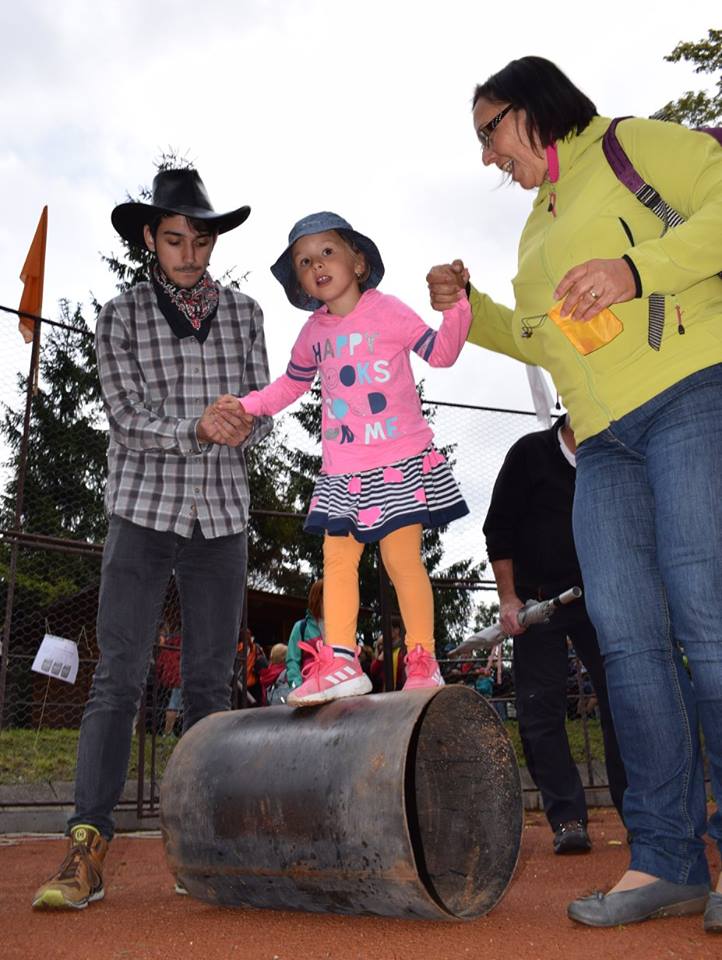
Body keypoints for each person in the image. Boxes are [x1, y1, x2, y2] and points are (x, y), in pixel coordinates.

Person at [427, 56, 722, 931]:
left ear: (535, 106)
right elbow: (542, 337)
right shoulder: (532, 229)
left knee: (708, 620)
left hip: (691, 397)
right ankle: (666, 858)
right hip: (604, 445)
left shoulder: (634, 146)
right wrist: (471, 309)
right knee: (628, 651)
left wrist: (637, 269)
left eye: (490, 131)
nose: (487, 156)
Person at [32, 168, 272, 911]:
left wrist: (246, 420)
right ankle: (86, 849)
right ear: (149, 238)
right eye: (175, 239)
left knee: (209, 686)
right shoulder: (119, 316)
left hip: (223, 519)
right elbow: (126, 416)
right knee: (119, 678)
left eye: (201, 239)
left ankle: (206, 849)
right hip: (140, 513)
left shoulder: (246, 313)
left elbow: (263, 399)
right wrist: (199, 428)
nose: (190, 252)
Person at [218, 211, 471, 707]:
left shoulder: (390, 311)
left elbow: (441, 354)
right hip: (344, 469)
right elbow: (290, 384)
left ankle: (422, 658)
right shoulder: (313, 333)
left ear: (358, 261)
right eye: (304, 261)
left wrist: (457, 307)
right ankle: (340, 661)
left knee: (401, 559)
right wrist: (247, 406)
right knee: (337, 560)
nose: (316, 265)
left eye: (327, 252)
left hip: (399, 459)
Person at [483, 414, 627, 855]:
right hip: (538, 602)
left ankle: (641, 812)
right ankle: (567, 819)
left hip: (600, 596)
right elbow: (498, 531)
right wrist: (509, 600)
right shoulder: (529, 455)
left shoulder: (615, 456)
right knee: (539, 708)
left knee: (625, 697)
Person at [285, 579, 324, 690]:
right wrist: (298, 687)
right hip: (309, 691)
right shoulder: (301, 627)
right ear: (317, 598)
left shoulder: (337, 627)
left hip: (334, 689)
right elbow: (292, 661)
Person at [155, 624, 183, 736]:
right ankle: (169, 732)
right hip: (181, 677)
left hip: (176, 678)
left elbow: (161, 665)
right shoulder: (176, 644)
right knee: (176, 704)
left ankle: (168, 732)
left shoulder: (169, 646)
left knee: (174, 704)